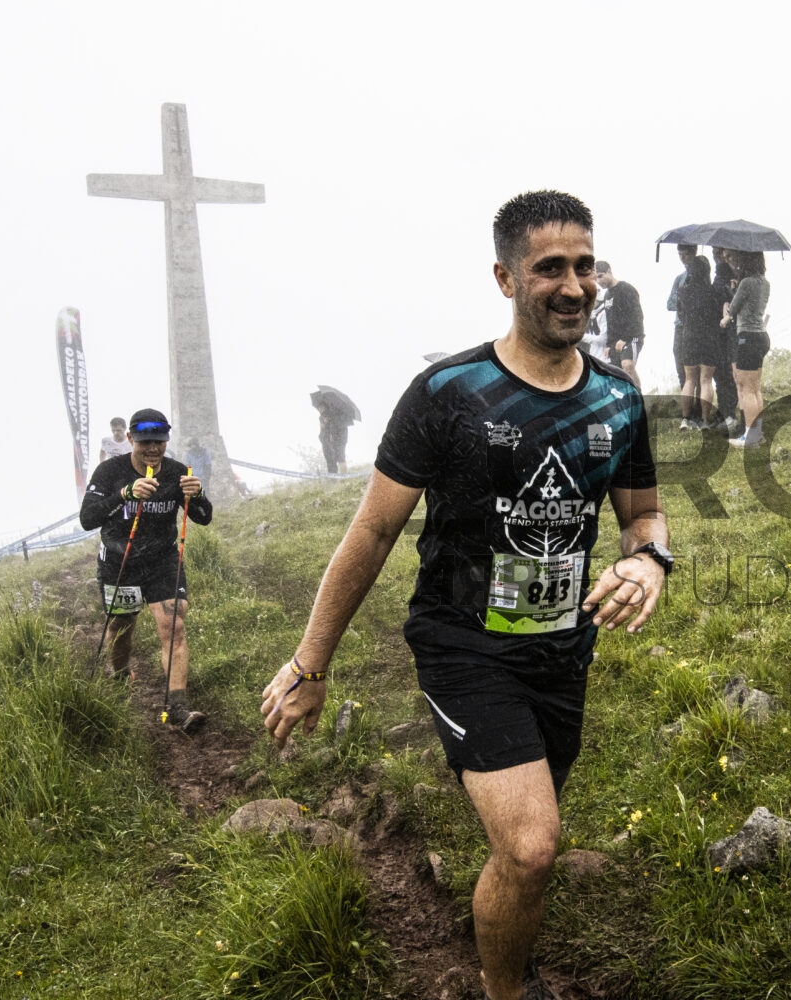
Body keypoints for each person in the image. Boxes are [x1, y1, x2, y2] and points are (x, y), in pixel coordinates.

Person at [259, 190, 670, 1000]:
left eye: (585, 266)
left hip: (562, 650)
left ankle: (511, 955)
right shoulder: (450, 392)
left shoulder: (617, 398)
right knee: (532, 846)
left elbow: (642, 514)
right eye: (549, 268)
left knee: (528, 847)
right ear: (505, 278)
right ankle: (505, 990)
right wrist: (311, 664)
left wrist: (650, 559)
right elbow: (374, 530)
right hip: (463, 647)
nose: (574, 286)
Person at [80, 407, 211, 731]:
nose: (153, 448)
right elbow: (87, 519)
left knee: (173, 625)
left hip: (162, 560)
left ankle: (177, 708)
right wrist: (125, 494)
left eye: (159, 441)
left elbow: (203, 517)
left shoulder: (177, 472)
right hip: (119, 561)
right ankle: (120, 676)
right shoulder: (109, 471)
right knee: (121, 627)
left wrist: (198, 495)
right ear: (130, 439)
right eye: (144, 442)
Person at [723, 249, 771, 445]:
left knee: (745, 388)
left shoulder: (746, 282)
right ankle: (757, 434)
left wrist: (725, 316)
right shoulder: (765, 283)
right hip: (761, 337)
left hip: (747, 338)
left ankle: (750, 437)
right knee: (755, 388)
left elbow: (733, 309)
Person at [677, 244, 722, 429]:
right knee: (706, 380)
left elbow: (681, 314)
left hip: (689, 336)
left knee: (690, 380)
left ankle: (685, 420)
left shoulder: (683, 291)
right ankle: (704, 420)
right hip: (709, 337)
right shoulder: (714, 292)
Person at [596, 260, 645, 389]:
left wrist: (625, 338)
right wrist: (608, 345)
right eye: (596, 279)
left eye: (600, 276)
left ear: (609, 271)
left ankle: (638, 397)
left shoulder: (626, 289)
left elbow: (637, 316)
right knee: (616, 375)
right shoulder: (607, 296)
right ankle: (627, 399)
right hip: (614, 342)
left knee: (627, 366)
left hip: (632, 337)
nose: (599, 281)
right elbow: (610, 323)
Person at [710, 249, 740, 432]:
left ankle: (730, 414)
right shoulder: (718, 273)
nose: (717, 255)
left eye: (719, 252)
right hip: (718, 329)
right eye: (714, 252)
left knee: (729, 373)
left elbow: (730, 299)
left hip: (730, 329)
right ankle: (723, 412)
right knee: (720, 372)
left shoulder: (733, 273)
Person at [316, 399, 351, 473]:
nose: (320, 409)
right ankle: (333, 476)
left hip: (339, 440)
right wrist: (324, 426)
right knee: (331, 460)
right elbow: (323, 433)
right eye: (319, 408)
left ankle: (344, 476)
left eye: (321, 407)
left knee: (341, 458)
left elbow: (338, 428)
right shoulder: (322, 417)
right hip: (327, 442)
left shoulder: (339, 414)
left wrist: (332, 434)